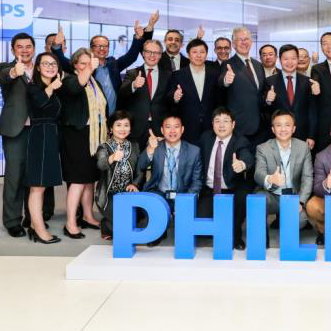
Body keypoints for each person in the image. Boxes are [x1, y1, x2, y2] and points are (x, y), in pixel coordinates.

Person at [51, 12, 157, 115]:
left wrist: (137, 38)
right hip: (92, 116)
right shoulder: (84, 66)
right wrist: (56, 45)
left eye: (105, 46)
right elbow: (63, 62)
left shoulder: (113, 64)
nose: (102, 49)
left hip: (114, 115)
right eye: (98, 46)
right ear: (91, 48)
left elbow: (131, 56)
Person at [0, 33, 48, 238]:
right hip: (16, 130)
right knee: (14, 177)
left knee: (36, 175)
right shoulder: (5, 67)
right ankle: (12, 221)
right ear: (13, 50)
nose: (25, 50)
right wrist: (14, 72)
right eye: (20, 47)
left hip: (39, 130)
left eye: (28, 46)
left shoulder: (43, 67)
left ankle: (33, 217)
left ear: (34, 48)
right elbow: (4, 76)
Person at [59, 48, 107, 238]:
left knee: (89, 179)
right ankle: (70, 222)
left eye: (89, 63)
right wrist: (89, 69)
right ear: (75, 65)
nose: (88, 66)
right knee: (78, 180)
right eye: (83, 63)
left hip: (94, 136)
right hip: (76, 136)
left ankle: (88, 216)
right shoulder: (70, 80)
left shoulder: (95, 82)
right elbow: (76, 87)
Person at [139, 114, 203, 246]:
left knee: (184, 239)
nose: (172, 131)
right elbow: (141, 166)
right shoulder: (155, 146)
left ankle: (176, 224)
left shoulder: (194, 151)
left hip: (182, 193)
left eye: (176, 127)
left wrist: (185, 202)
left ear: (182, 129)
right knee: (151, 204)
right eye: (168, 127)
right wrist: (150, 149)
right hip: (160, 192)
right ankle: (159, 232)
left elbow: (197, 181)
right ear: (162, 130)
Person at [197, 107, 254, 250]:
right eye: (217, 121)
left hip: (232, 189)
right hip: (210, 190)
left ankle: (236, 235)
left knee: (242, 197)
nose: (221, 125)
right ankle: (218, 228)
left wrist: (242, 164)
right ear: (212, 124)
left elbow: (247, 155)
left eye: (226, 121)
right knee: (202, 230)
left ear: (233, 124)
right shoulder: (205, 138)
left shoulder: (240, 141)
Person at [24, 52, 64, 244]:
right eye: (46, 64)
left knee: (43, 184)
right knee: (37, 187)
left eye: (53, 64)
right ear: (38, 67)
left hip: (51, 135)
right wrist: (51, 88)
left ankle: (34, 225)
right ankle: (39, 230)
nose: (50, 67)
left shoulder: (57, 87)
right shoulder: (33, 87)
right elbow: (39, 104)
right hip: (40, 135)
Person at [255, 110, 313, 237]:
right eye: (278, 125)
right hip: (272, 196)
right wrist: (270, 179)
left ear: (293, 129)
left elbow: (307, 178)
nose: (283, 129)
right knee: (258, 200)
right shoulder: (263, 148)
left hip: (293, 197)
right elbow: (258, 173)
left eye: (287, 125)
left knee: (300, 220)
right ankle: (262, 240)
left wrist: (300, 202)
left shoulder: (303, 147)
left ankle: (288, 238)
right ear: (273, 129)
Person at [95, 110, 145, 240]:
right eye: (118, 125)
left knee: (135, 220)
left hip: (128, 192)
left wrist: (135, 184)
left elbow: (140, 170)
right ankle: (106, 225)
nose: (122, 129)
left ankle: (112, 223)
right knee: (122, 226)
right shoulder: (104, 147)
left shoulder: (134, 146)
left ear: (130, 128)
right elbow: (100, 165)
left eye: (126, 125)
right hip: (109, 194)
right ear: (111, 128)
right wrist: (111, 158)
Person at [218, 27, 268, 147]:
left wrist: (268, 98)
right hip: (240, 127)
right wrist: (226, 81)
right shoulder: (228, 64)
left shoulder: (258, 65)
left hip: (260, 128)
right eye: (240, 40)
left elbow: (260, 92)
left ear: (251, 42)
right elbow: (220, 83)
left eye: (246, 39)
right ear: (234, 44)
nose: (244, 42)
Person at [169, 38, 223, 145]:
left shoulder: (215, 73)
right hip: (187, 126)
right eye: (194, 52)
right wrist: (175, 98)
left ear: (206, 54)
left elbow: (220, 99)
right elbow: (168, 99)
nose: (198, 55)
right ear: (188, 55)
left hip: (211, 126)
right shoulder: (178, 75)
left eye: (202, 52)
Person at [119, 39, 172, 146]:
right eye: (148, 52)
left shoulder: (168, 75)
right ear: (143, 53)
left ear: (160, 55)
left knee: (157, 156)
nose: (152, 55)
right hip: (136, 128)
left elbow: (170, 102)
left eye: (156, 52)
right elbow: (122, 93)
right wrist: (133, 85)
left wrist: (175, 98)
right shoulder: (132, 73)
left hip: (159, 129)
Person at [264, 44, 317, 150]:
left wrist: (311, 136)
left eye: (293, 58)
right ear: (280, 60)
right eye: (286, 59)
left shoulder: (307, 82)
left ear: (297, 59)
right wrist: (268, 101)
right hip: (278, 135)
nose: (290, 62)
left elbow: (312, 111)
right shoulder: (269, 81)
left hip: (302, 135)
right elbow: (264, 111)